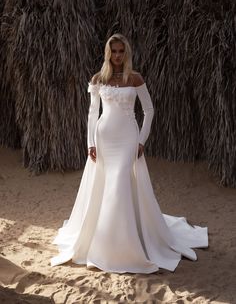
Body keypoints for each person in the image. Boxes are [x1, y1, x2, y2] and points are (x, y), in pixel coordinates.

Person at [51, 33, 208, 273]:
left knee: (120, 182)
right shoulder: (98, 78)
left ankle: (122, 246)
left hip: (127, 140)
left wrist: (142, 140)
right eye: (113, 51)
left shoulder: (134, 78)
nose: (117, 56)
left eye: (120, 51)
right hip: (104, 139)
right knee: (106, 185)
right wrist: (90, 143)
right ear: (108, 53)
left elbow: (149, 110)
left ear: (126, 53)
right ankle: (106, 242)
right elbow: (93, 114)